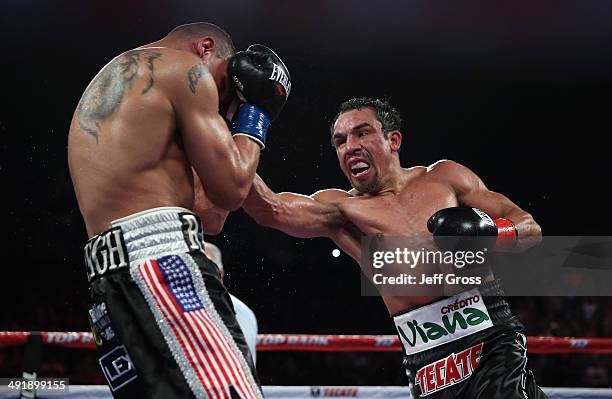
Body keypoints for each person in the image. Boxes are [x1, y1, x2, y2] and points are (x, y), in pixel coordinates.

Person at [242, 97, 546, 398]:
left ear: (394, 139)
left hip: (491, 340)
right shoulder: (342, 211)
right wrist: (240, 126)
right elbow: (269, 208)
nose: (350, 147)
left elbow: (528, 227)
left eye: (362, 133)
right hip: (429, 363)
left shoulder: (445, 177)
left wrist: (493, 233)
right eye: (340, 141)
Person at [68, 22, 291, 399]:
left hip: (111, 286)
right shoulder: (185, 70)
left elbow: (210, 215)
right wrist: (256, 112)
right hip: (164, 272)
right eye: (223, 89)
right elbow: (233, 188)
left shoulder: (113, 90)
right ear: (205, 47)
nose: (220, 108)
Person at [204, 243, 258, 365]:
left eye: (205, 271)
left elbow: (243, 365)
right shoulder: (179, 306)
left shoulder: (240, 312)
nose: (198, 276)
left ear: (220, 274)